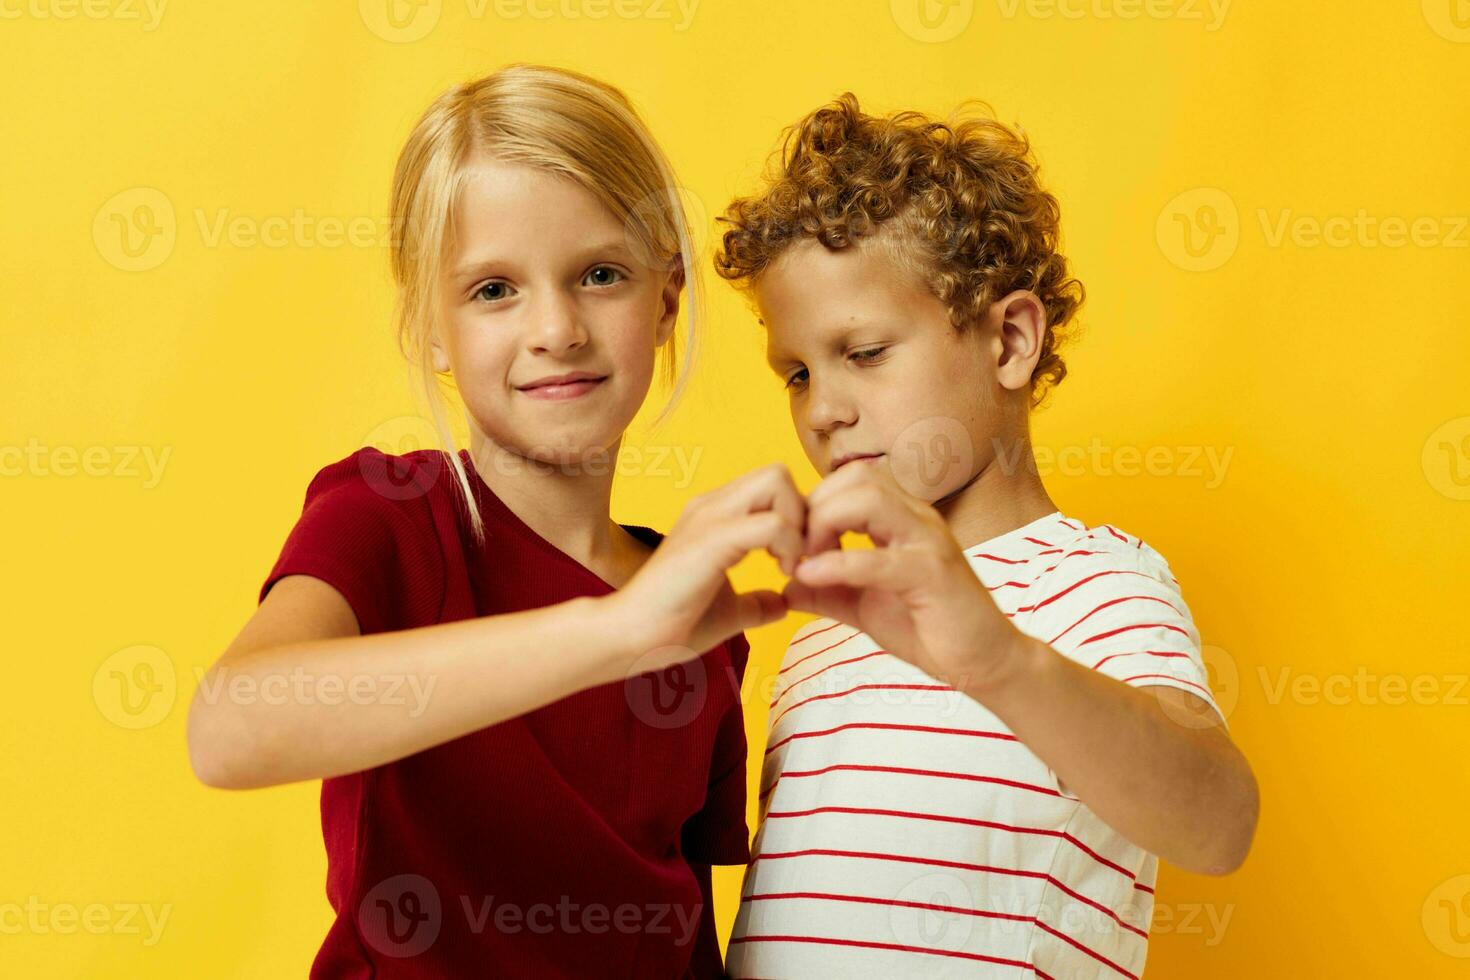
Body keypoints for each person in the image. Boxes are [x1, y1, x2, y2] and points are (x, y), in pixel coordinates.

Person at [187, 64, 806, 978]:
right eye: (493, 290)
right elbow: (228, 730)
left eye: (600, 274)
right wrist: (617, 633)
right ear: (430, 328)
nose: (555, 328)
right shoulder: (387, 517)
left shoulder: (697, 616)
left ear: (666, 296)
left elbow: (686, 938)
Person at [714, 93, 1260, 978]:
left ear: (1009, 339)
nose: (823, 409)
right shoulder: (825, 636)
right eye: (797, 373)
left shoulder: (1097, 583)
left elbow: (1219, 822)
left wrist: (1000, 658)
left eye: (864, 353)